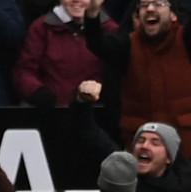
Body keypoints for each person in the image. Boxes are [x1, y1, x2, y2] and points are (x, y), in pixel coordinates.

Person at [85, 0, 191, 154]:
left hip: (185, 146)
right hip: (141, 147)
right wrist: (93, 13)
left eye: (158, 4)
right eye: (144, 5)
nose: (149, 9)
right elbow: (97, 44)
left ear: (173, 15)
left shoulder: (186, 40)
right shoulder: (127, 44)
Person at [13, 0, 115, 107]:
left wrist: (101, 90)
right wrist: (37, 91)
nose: (77, 0)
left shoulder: (110, 30)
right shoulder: (42, 27)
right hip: (52, 111)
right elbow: (24, 71)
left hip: (95, 111)